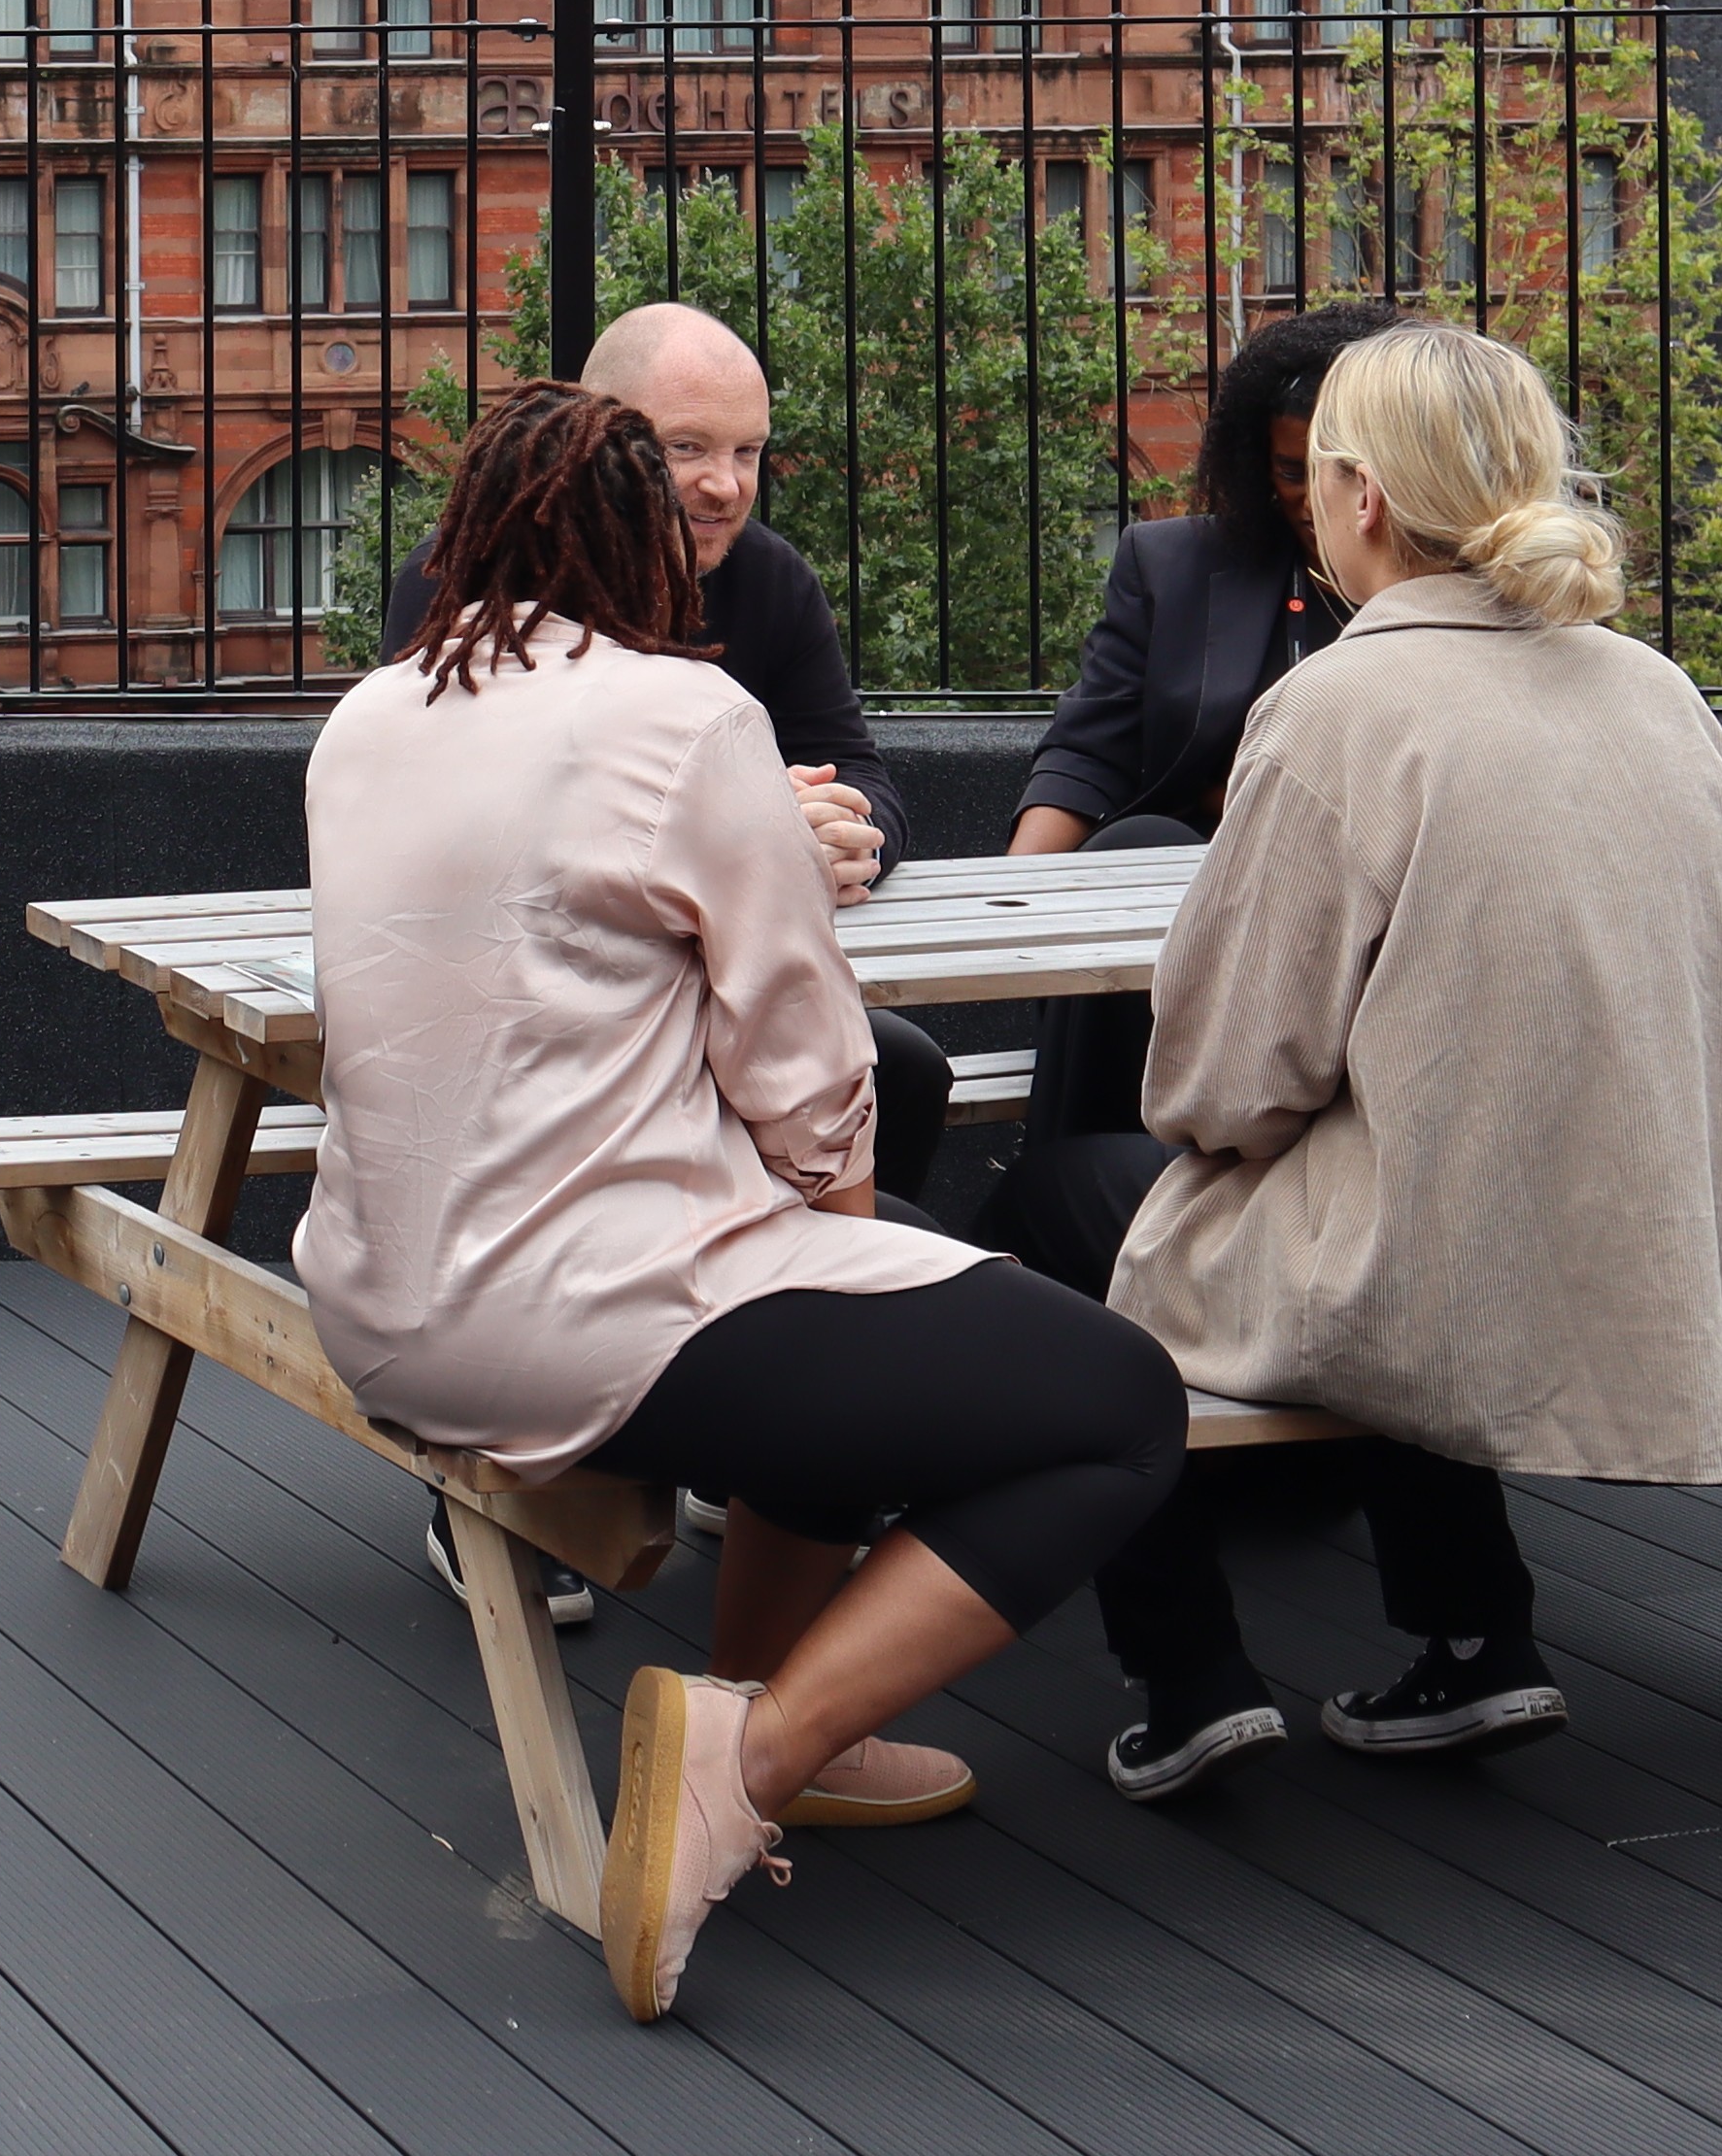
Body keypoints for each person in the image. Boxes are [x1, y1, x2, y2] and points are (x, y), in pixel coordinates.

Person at [298, 381, 1187, 2021]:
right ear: (644, 547)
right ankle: (747, 1748)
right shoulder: (678, 718)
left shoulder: (376, 711)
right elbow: (807, 1061)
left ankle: (790, 1710)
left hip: (386, 1299)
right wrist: (837, 1217)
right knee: (1114, 1397)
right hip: (589, 1318)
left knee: (885, 1312)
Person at [998, 323, 1722, 1800]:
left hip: (1444, 1278)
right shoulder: (1658, 692)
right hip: (1658, 1254)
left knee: (1065, 1196)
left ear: (1359, 497)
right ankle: (1478, 1642)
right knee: (1405, 1171)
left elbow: (1219, 1086)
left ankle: (1190, 1676)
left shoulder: (1338, 711)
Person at [393, 301, 944, 1185]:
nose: (725, 484)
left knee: (905, 1072)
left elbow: (866, 776)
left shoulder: (772, 579)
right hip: (544, 1022)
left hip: (732, 997)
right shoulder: (468, 580)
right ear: (596, 442)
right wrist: (753, 835)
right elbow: (449, 829)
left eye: (748, 451)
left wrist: (844, 834)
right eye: (686, 448)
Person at [986, 302, 1402, 1167]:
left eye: (1332, 468)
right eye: (1289, 468)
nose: (1309, 494)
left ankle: (1073, 1191)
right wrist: (1015, 897)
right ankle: (1071, 1171)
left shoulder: (1424, 588)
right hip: (1177, 882)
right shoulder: (1171, 563)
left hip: (1349, 890)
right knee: (1134, 843)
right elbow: (1089, 748)